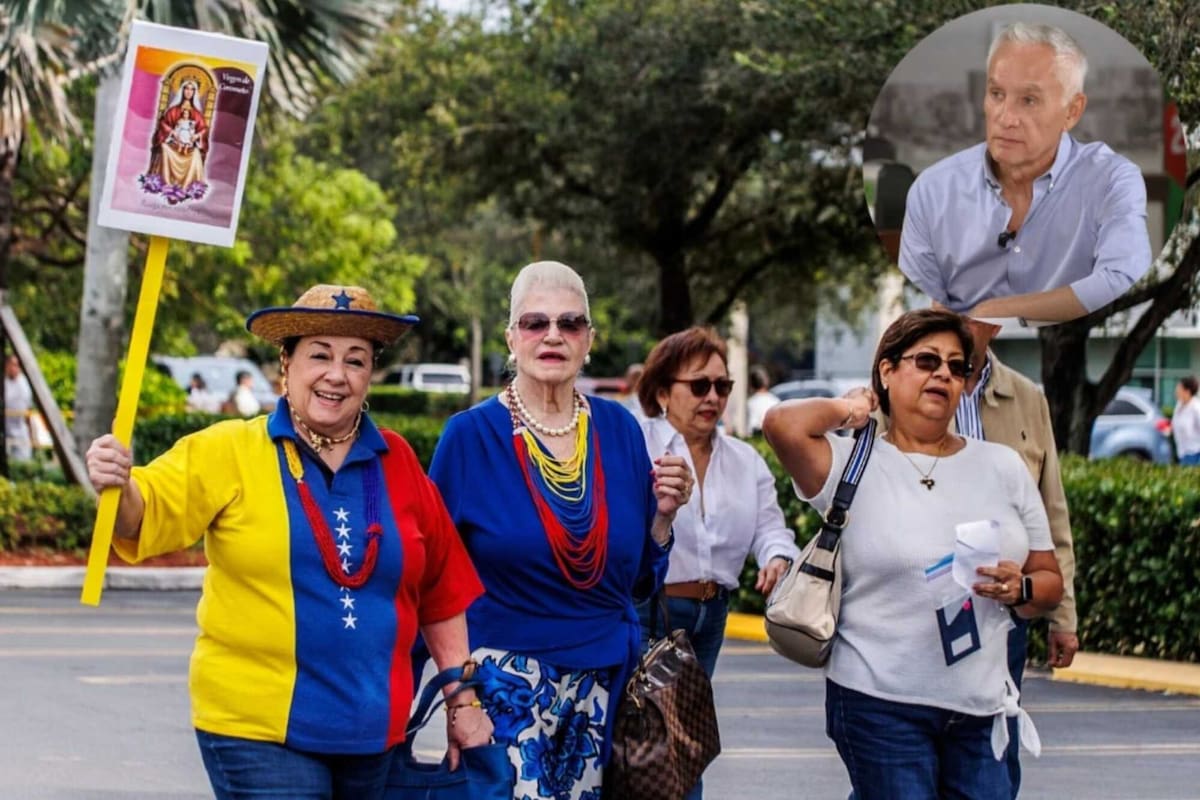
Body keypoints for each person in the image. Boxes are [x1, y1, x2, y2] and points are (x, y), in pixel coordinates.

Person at [85, 284, 492, 800]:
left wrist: (462, 699)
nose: (336, 375)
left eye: (356, 360)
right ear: (287, 363)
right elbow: (145, 514)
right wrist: (118, 486)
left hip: (375, 735)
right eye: (319, 355)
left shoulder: (400, 461)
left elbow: (441, 589)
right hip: (257, 731)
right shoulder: (229, 449)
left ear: (370, 375)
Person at [763, 308, 1063, 800]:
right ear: (887, 369)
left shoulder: (1002, 466)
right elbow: (782, 424)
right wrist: (852, 408)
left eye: (956, 366)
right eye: (926, 361)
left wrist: (1021, 588)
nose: (943, 374)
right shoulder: (852, 461)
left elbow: (1049, 580)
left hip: (981, 704)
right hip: (880, 701)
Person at [427, 261, 692, 800]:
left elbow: (638, 579)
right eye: (534, 323)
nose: (552, 335)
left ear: (589, 340)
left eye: (570, 324)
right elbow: (432, 578)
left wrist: (663, 517)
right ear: (511, 338)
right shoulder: (469, 437)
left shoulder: (619, 430)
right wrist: (455, 696)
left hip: (607, 685)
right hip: (505, 690)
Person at [636, 326, 799, 800]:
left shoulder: (745, 460)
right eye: (699, 385)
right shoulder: (638, 444)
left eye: (722, 386)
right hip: (653, 609)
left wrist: (776, 558)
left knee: (684, 740)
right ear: (664, 390)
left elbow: (771, 528)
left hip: (711, 616)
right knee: (648, 741)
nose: (713, 397)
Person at [899, 22, 1151, 323]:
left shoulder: (1111, 179)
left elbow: (1120, 274)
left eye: (1028, 100)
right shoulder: (933, 191)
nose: (1006, 118)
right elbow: (929, 309)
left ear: (1072, 111)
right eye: (996, 94)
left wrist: (994, 312)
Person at [953, 317, 1078, 798]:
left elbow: (1052, 513)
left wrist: (1061, 615)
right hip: (921, 611)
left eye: (973, 308)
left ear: (996, 324)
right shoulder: (904, 390)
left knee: (993, 762)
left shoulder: (1027, 398)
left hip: (1005, 610)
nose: (960, 319)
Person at [153, 78, 208, 190]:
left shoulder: (197, 114)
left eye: (192, 89)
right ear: (182, 90)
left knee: (196, 154)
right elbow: (163, 123)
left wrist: (197, 136)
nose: (188, 91)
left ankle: (187, 186)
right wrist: (172, 132)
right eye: (186, 89)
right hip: (174, 144)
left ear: (194, 92)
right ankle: (166, 182)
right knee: (164, 147)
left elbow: (204, 129)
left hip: (188, 146)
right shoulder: (173, 110)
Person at [4, 354, 33, 462]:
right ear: (6, 366)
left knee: (23, 463)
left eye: (17, 365)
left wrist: (31, 433)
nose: (15, 368)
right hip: (5, 431)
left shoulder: (24, 383)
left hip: (21, 432)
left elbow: (28, 409)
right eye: (12, 365)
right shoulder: (3, 382)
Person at [745, 364, 780, 435]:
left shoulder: (750, 403)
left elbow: (751, 427)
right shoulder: (775, 401)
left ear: (751, 384)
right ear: (766, 381)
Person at [1174, 377, 1200, 465]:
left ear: (1187, 391)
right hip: (1182, 452)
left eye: (1179, 388)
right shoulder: (1179, 405)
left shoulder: (1196, 408)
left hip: (1194, 454)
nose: (1176, 391)